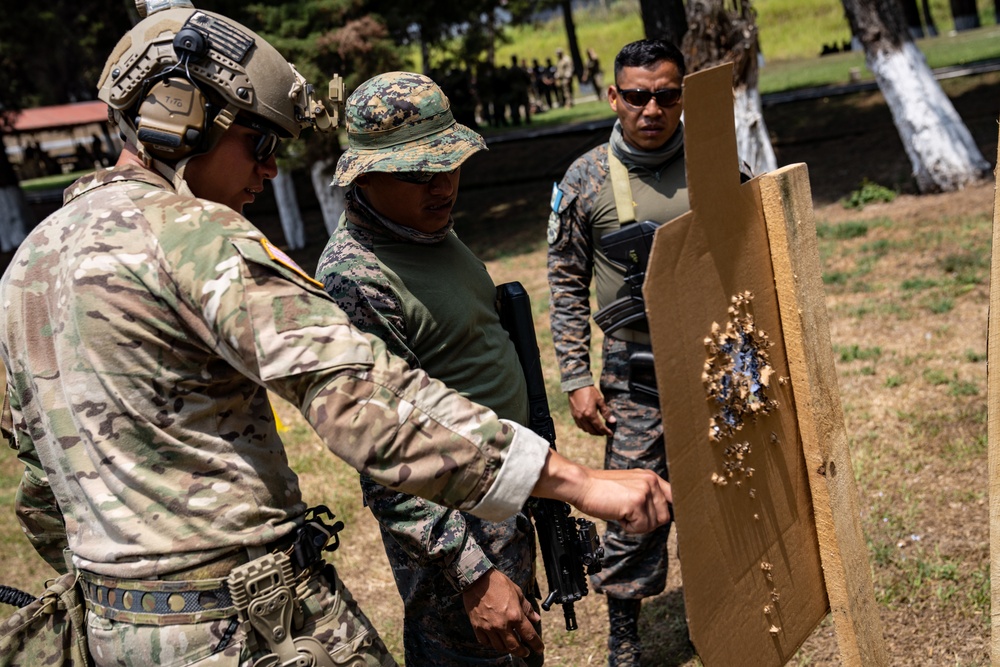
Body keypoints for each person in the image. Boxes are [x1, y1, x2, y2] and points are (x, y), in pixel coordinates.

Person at [0, 2, 673, 663]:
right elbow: (361, 398)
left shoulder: (29, 262)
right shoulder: (195, 237)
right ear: (186, 124)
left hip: (122, 627)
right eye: (257, 142)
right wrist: (579, 482)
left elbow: (37, 486)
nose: (268, 170)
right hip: (247, 625)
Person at [316, 70, 544, 667]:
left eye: (451, 164)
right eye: (420, 172)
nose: (444, 184)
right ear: (367, 174)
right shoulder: (358, 277)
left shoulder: (426, 228)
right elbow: (381, 452)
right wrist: (472, 576)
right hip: (453, 536)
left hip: (502, 494)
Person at [546, 39, 688, 667]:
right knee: (633, 505)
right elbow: (566, 283)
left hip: (715, 360)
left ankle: (731, 602)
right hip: (634, 371)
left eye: (666, 94)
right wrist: (577, 376)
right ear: (614, 97)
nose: (651, 108)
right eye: (637, 95)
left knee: (727, 486)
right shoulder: (586, 177)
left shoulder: (717, 164)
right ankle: (624, 639)